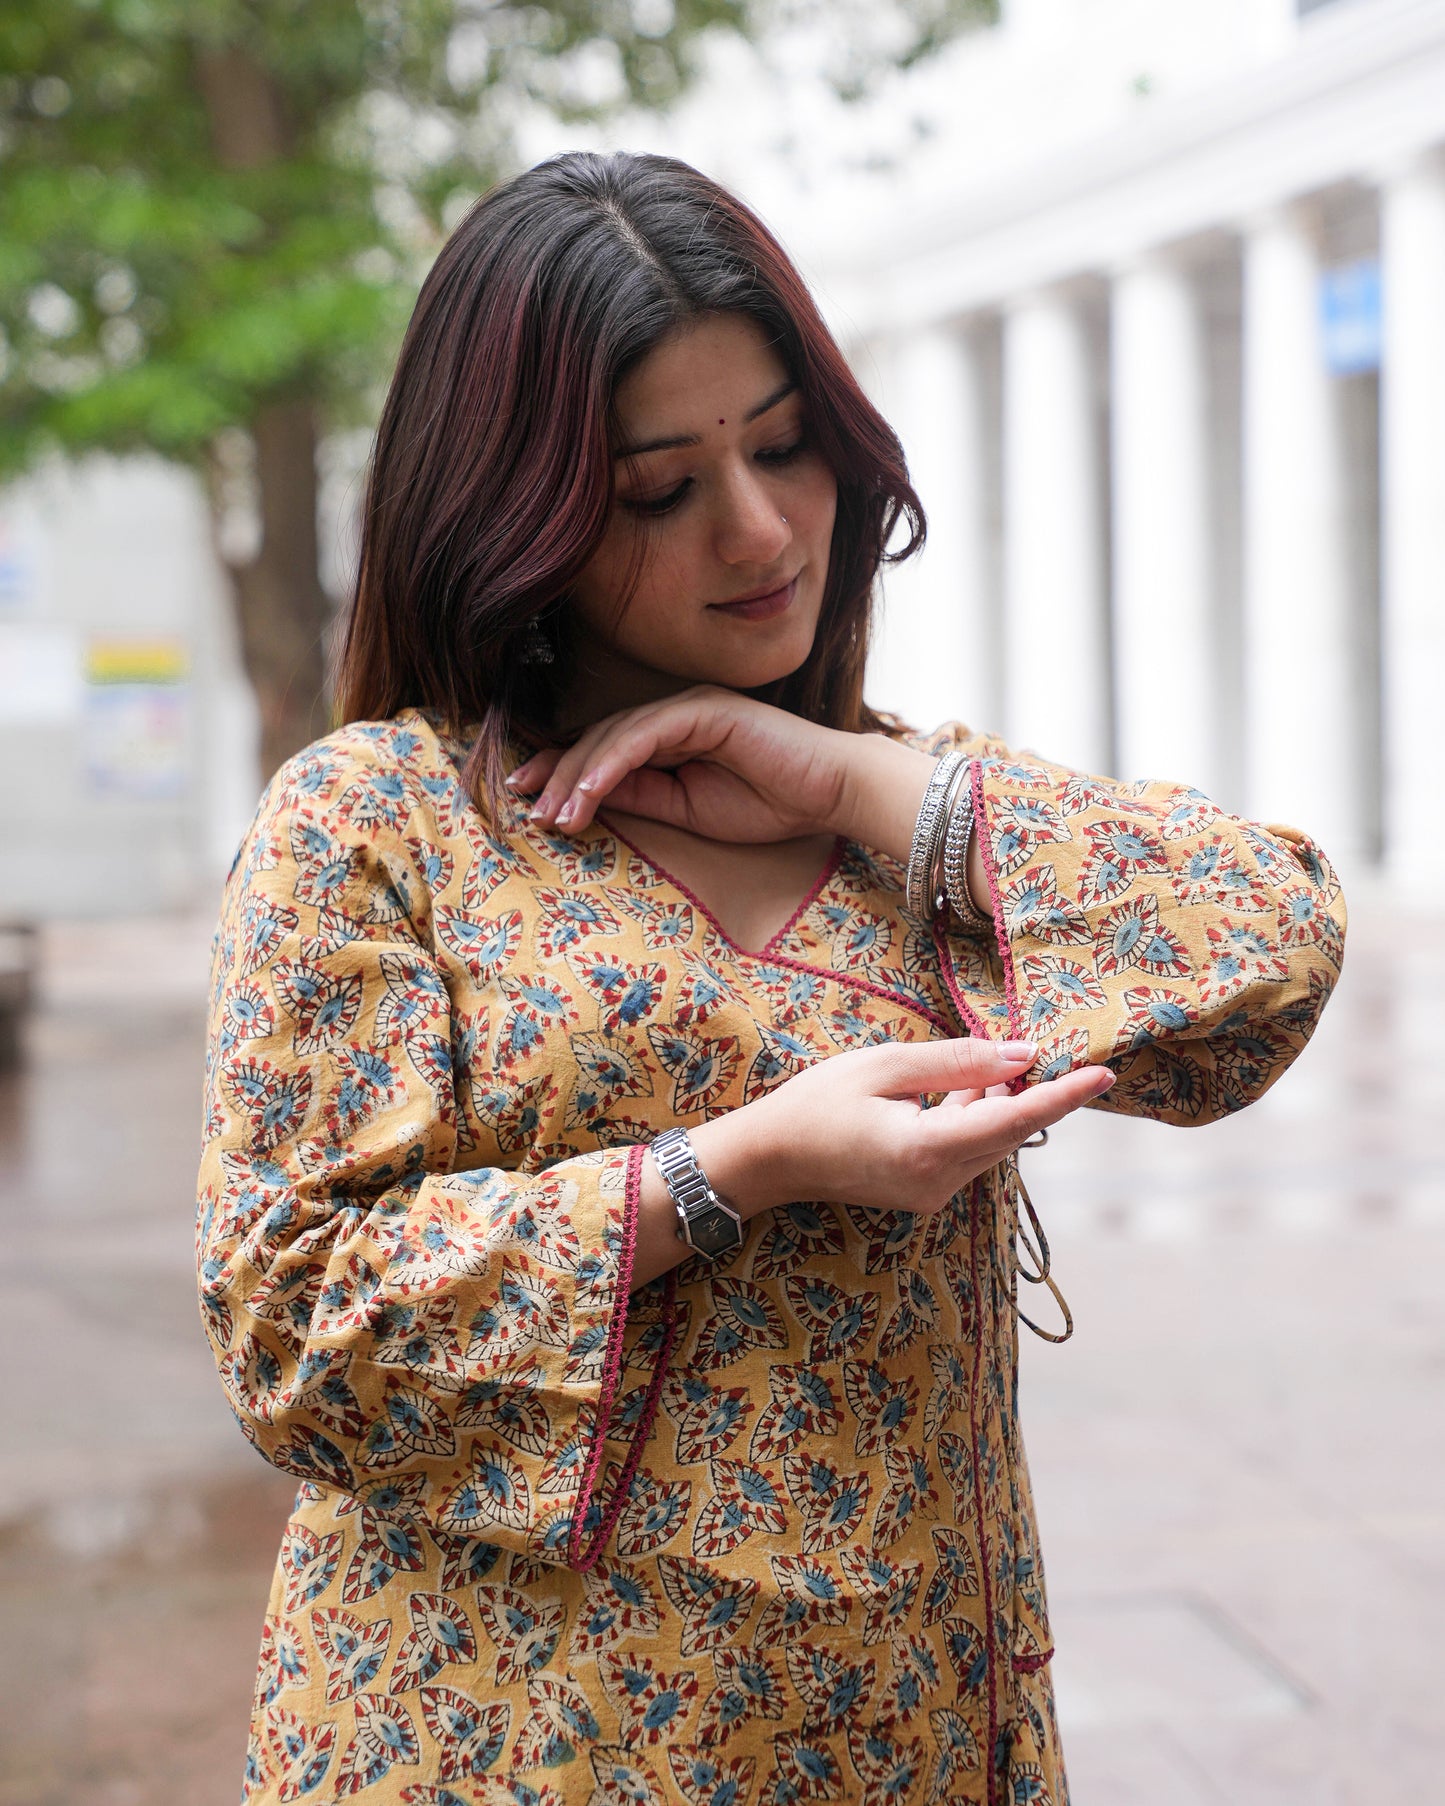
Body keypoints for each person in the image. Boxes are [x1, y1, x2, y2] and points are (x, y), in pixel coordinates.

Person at [197, 150, 1345, 1806]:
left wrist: (848, 785)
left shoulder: (916, 816)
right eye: (659, 487)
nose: (756, 530)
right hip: (509, 1743)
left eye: (786, 447)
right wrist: (736, 1168)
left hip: (904, 1730)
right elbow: (294, 1325)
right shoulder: (385, 824)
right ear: (517, 514)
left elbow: (1275, 946)